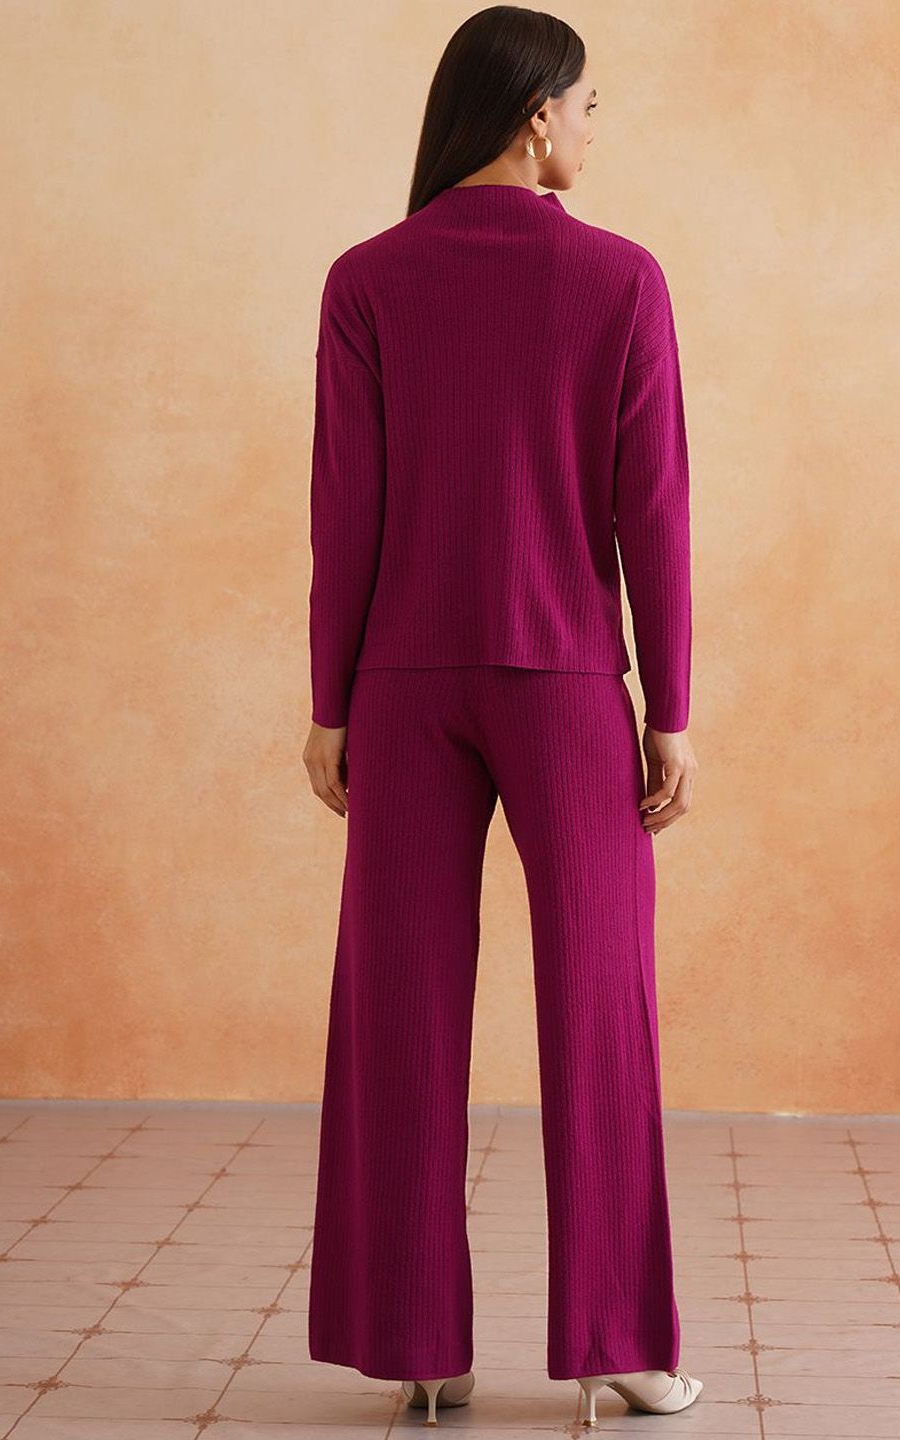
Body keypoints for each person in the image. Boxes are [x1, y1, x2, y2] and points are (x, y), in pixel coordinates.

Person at [302, 5, 701, 1428]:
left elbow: (344, 512)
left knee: (400, 1012)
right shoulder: (621, 280)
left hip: (402, 687)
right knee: (602, 1009)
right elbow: (653, 508)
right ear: (538, 115)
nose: (593, 131)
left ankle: (422, 1349)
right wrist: (671, 707)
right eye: (588, 107)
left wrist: (330, 700)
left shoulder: (367, 279)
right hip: (568, 683)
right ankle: (616, 1345)